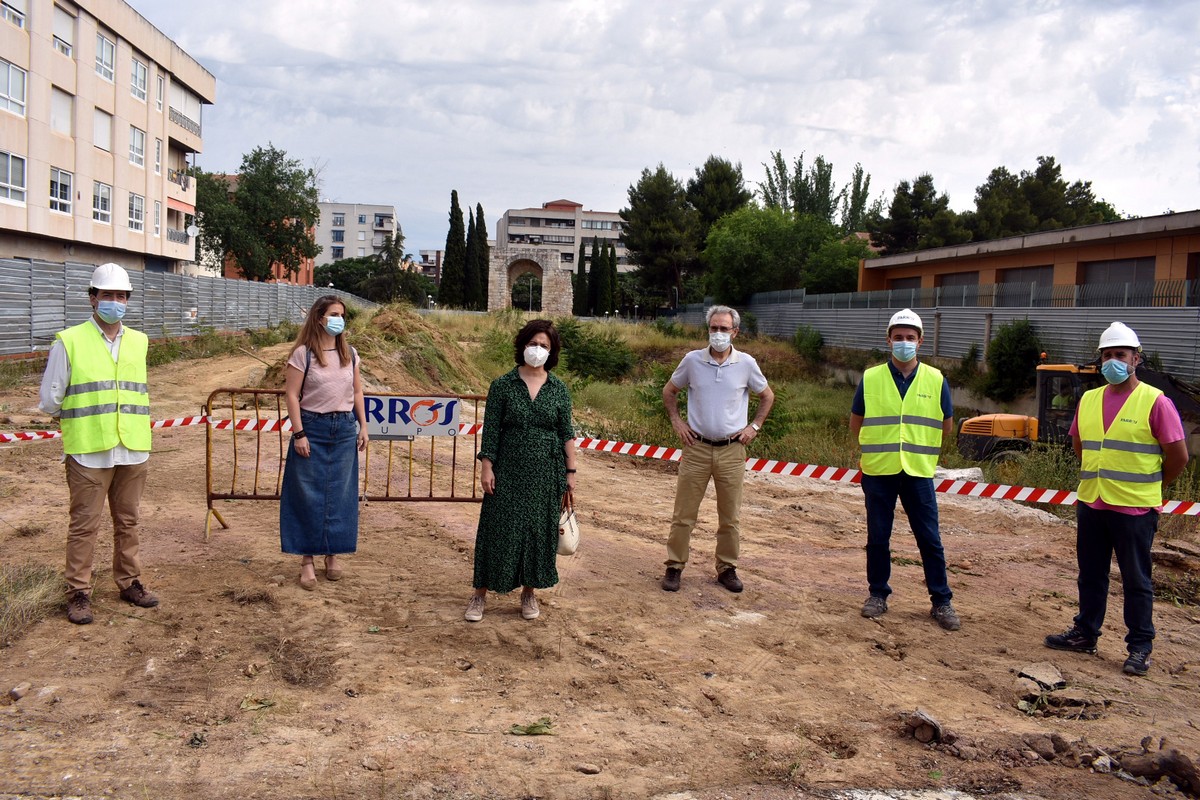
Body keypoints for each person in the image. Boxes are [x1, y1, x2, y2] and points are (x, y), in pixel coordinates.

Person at [1044, 322, 1188, 676]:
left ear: (1135, 359)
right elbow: (1080, 446)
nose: (1112, 361)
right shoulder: (1089, 399)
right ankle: (1086, 633)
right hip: (1093, 502)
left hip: (1135, 508)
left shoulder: (1156, 401)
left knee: (1136, 579)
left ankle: (1140, 646)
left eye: (1119, 355)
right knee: (1091, 575)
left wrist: (1153, 486)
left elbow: (1178, 456)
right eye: (1107, 355)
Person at [39, 263, 158, 625]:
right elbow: (49, 400)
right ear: (93, 298)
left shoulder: (139, 341)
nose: (115, 302)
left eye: (121, 296)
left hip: (133, 446)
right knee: (84, 524)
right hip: (89, 449)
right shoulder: (69, 341)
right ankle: (78, 591)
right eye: (108, 295)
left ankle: (129, 581)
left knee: (128, 521)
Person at [849, 309, 960, 631]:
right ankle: (877, 594)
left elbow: (947, 425)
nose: (904, 342)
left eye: (910, 337)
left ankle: (941, 601)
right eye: (898, 337)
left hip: (918, 471)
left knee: (929, 538)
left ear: (920, 341)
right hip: (879, 470)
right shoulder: (871, 378)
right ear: (888, 340)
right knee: (878, 537)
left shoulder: (936, 379)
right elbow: (856, 421)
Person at [466, 319, 577, 622]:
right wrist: (486, 467)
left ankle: (529, 593)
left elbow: (566, 433)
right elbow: (491, 431)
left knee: (537, 533)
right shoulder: (502, 385)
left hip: (546, 472)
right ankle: (479, 594)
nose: (537, 349)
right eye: (533, 343)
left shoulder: (558, 389)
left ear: (551, 351)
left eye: (544, 345)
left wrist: (571, 473)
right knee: (496, 529)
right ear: (522, 345)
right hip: (508, 470)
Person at [661, 305, 774, 594]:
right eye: (714, 328)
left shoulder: (747, 363)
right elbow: (669, 391)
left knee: (730, 516)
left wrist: (754, 427)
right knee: (684, 514)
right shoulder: (692, 361)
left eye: (724, 329)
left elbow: (767, 396)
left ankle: (726, 568)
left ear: (735, 332)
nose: (719, 334)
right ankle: (674, 567)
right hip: (696, 447)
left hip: (732, 451)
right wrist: (677, 421)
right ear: (708, 330)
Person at [280, 296, 368, 590]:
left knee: (340, 495)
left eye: (342, 315)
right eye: (333, 314)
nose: (339, 320)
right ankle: (307, 560)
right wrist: (300, 433)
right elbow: (292, 395)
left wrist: (363, 426)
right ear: (319, 318)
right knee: (307, 494)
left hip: (343, 428)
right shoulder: (303, 355)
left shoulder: (350, 354)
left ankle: (333, 554)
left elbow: (357, 393)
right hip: (313, 428)